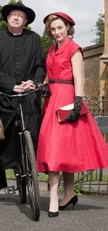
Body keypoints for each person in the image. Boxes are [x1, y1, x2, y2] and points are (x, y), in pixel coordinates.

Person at [36, 12, 108, 218]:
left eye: (60, 27)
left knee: (57, 150)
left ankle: (52, 200)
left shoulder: (74, 49)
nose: (57, 32)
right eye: (53, 29)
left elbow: (79, 78)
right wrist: (42, 87)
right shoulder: (51, 49)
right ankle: (68, 194)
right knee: (57, 148)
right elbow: (49, 76)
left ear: (68, 27)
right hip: (51, 101)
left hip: (67, 100)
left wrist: (77, 103)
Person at [0, 3, 46, 204]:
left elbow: (39, 65)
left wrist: (34, 83)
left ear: (26, 20)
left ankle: (29, 166)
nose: (17, 18)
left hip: (28, 95)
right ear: (7, 18)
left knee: (33, 129)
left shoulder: (34, 39)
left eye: (20, 16)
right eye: (13, 15)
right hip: (3, 94)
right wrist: (11, 85)